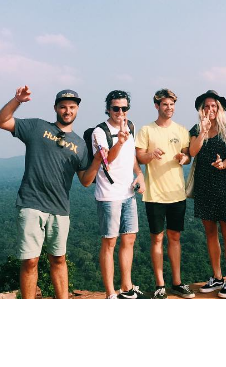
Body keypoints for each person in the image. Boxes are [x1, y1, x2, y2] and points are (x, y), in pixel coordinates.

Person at [0, 87, 90, 299]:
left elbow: (85, 181)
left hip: (60, 208)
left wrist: (99, 161)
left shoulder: (81, 145)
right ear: (55, 108)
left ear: (77, 110)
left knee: (59, 259)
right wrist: (17, 100)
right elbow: (0, 121)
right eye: (63, 106)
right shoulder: (37, 127)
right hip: (31, 202)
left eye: (72, 107)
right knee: (30, 260)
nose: (67, 110)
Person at [81, 90, 146, 300]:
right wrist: (119, 141)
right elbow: (106, 160)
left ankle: (127, 286)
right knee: (109, 243)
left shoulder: (131, 126)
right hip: (109, 195)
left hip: (128, 193)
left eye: (124, 108)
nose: (120, 112)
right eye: (116, 108)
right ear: (108, 109)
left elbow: (132, 158)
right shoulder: (100, 132)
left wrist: (140, 175)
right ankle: (111, 292)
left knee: (130, 239)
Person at [135, 89, 194, 299]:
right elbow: (139, 156)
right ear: (156, 106)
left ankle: (177, 282)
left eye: (172, 104)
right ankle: (160, 285)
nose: (169, 108)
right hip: (154, 194)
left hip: (176, 193)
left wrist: (183, 158)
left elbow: (187, 156)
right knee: (157, 239)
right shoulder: (146, 130)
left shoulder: (181, 130)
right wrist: (150, 155)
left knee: (175, 237)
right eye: (165, 104)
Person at [189, 90, 226, 298]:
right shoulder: (195, 128)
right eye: (206, 106)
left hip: (223, 184)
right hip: (204, 184)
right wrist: (203, 131)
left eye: (214, 106)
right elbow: (193, 151)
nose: (210, 109)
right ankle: (217, 277)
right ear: (202, 109)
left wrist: (222, 164)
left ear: (219, 108)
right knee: (210, 232)